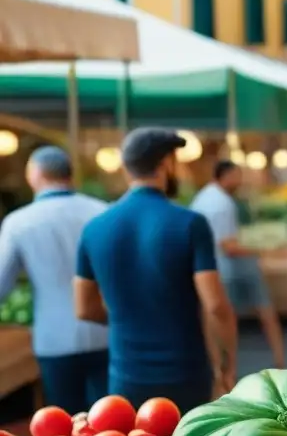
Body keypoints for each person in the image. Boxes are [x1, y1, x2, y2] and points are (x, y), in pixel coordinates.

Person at [74, 128, 237, 413]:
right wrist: (227, 366)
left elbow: (84, 309)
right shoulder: (190, 223)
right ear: (166, 164)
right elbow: (215, 306)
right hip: (186, 373)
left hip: (126, 376)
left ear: (126, 168)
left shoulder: (94, 229)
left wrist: (131, 318)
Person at [0, 147, 109, 413]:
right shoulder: (103, 212)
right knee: (109, 420)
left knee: (65, 424)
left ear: (34, 176)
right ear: (70, 175)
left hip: (54, 339)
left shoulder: (19, 222)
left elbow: (2, 283)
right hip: (106, 330)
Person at [191, 159, 285, 369]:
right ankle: (274, 359)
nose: (240, 181)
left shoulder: (202, 198)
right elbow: (230, 247)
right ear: (225, 176)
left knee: (215, 318)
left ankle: (219, 366)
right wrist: (263, 251)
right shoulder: (223, 204)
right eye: (237, 176)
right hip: (230, 267)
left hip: (213, 268)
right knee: (259, 311)